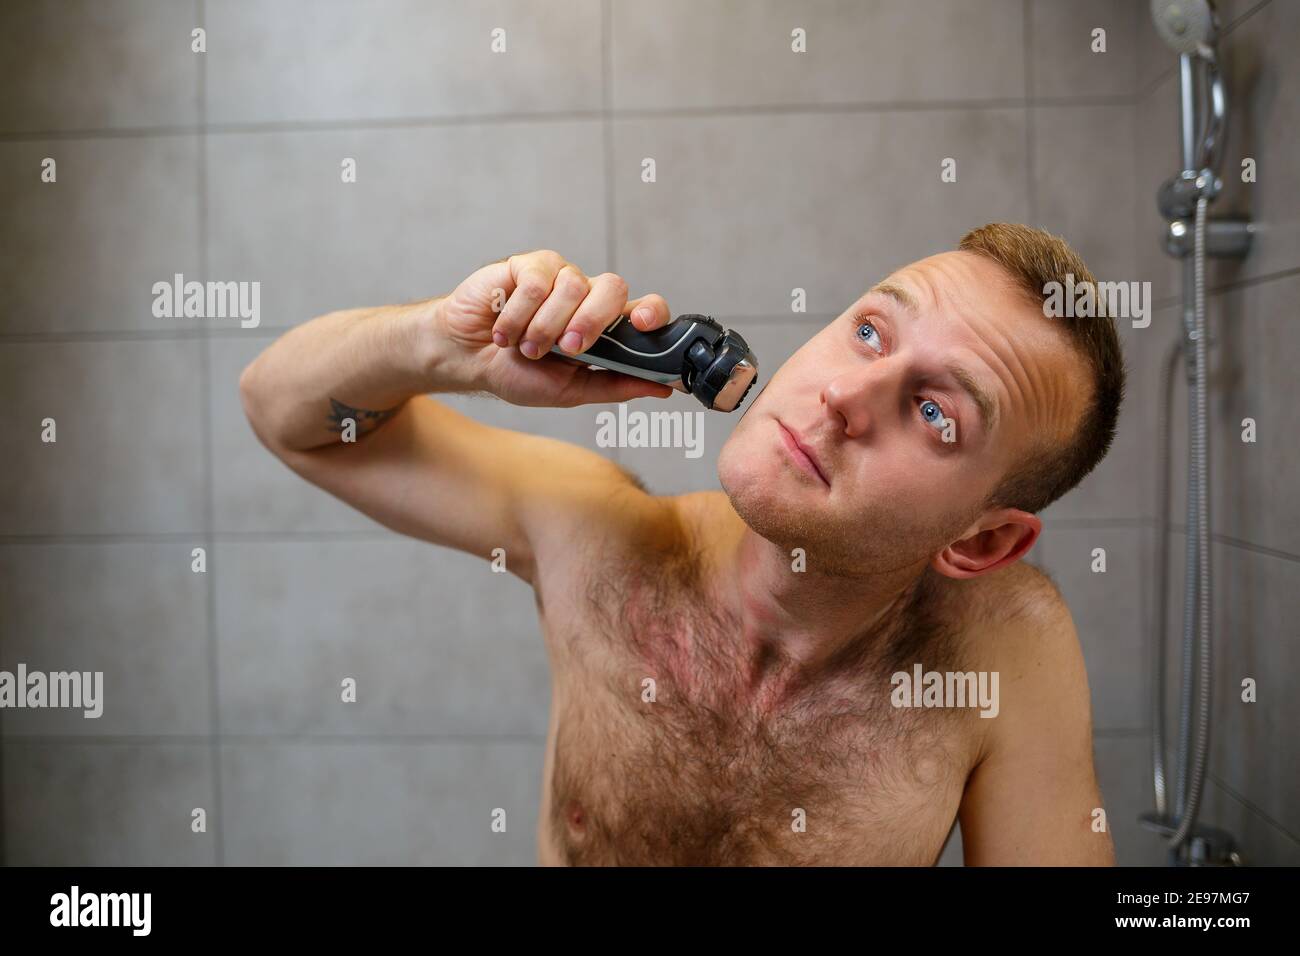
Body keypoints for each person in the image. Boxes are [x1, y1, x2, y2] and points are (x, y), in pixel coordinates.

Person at [239, 222, 1124, 865]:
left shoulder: (1000, 649)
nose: (845, 398)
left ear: (982, 541)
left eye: (936, 413)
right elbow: (288, 418)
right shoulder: (599, 538)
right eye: (868, 333)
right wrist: (445, 350)